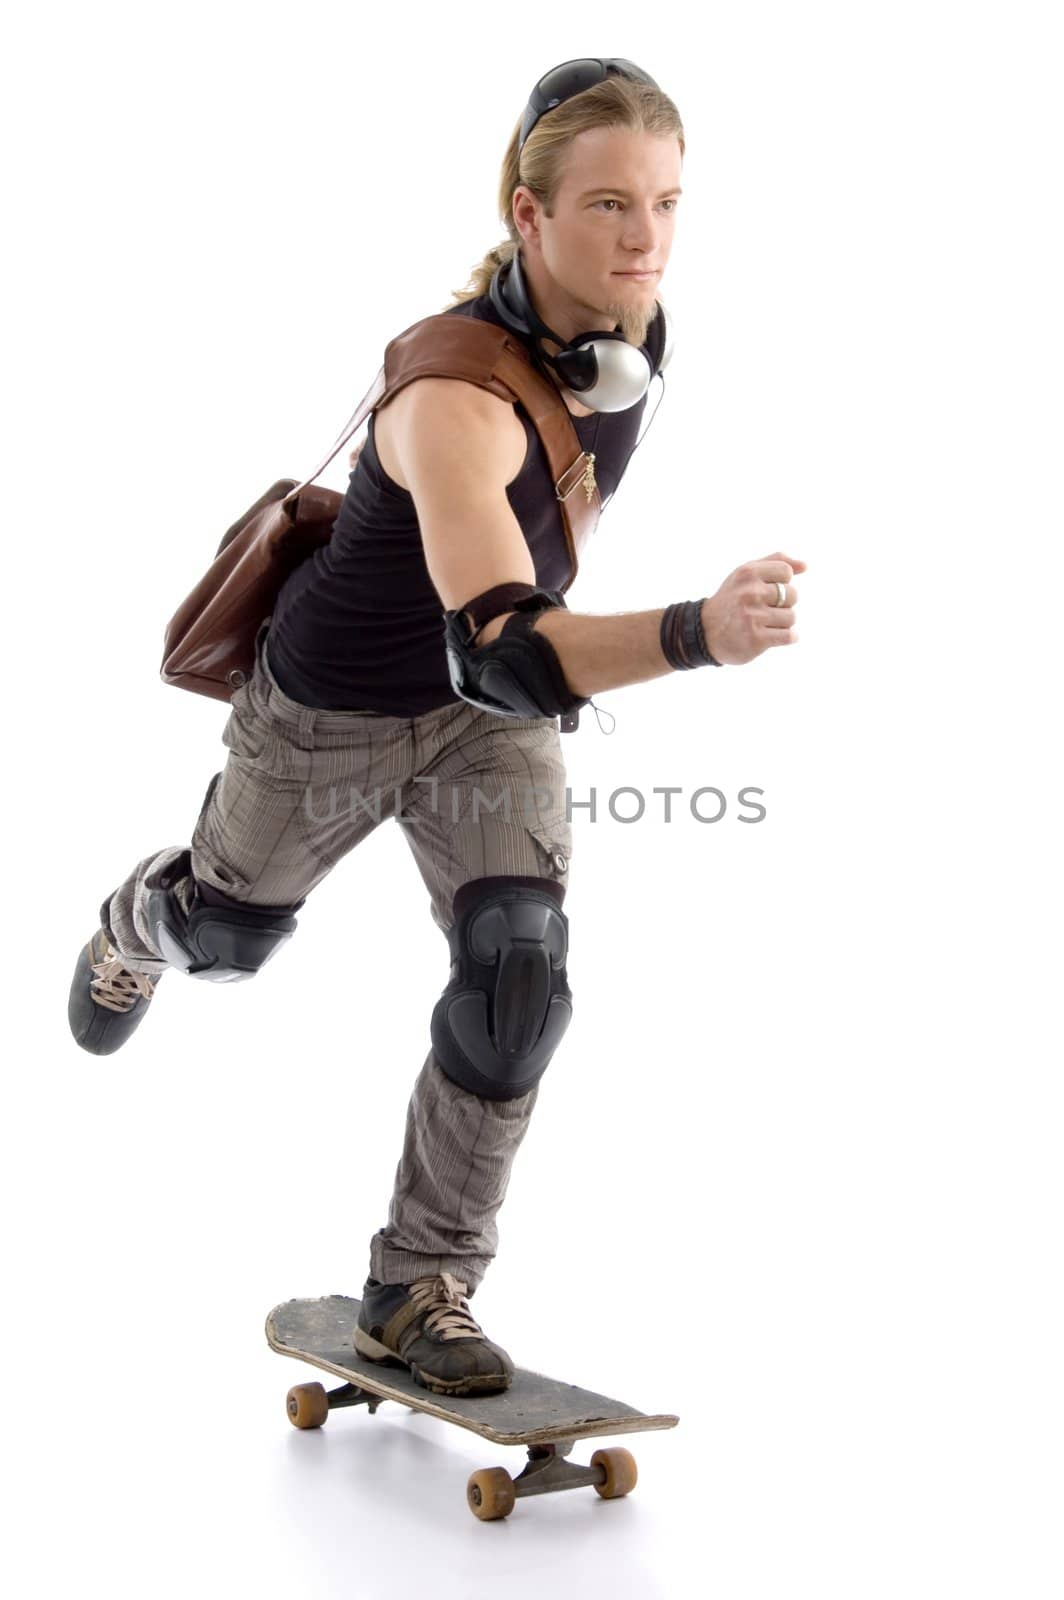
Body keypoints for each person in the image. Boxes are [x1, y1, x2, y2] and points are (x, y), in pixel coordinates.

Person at [67, 59, 804, 1398]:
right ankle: (136, 924)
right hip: (330, 714)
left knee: (518, 983)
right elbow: (510, 651)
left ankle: (419, 1287)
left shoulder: (629, 344)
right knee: (229, 942)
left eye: (668, 205)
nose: (645, 243)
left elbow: (500, 690)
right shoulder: (450, 400)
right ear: (527, 218)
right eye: (606, 209)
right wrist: (698, 630)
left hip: (479, 736)